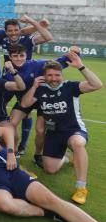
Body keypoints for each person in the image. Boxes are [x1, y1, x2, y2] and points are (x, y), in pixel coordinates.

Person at [19, 53, 102, 205]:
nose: (54, 78)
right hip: (54, 133)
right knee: (49, 169)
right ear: (44, 76)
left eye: (57, 75)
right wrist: (34, 86)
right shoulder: (41, 89)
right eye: (50, 75)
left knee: (77, 143)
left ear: (61, 75)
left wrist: (81, 67)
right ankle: (67, 157)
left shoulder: (70, 87)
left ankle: (81, 188)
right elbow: (25, 104)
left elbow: (97, 85)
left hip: (73, 130)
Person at [3, 44, 71, 157]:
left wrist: (74, 51)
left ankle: (38, 155)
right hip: (25, 100)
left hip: (43, 101)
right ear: (10, 57)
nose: (19, 58)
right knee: (10, 124)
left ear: (26, 56)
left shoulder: (37, 64)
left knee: (40, 130)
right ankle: (15, 150)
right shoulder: (7, 72)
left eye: (22, 55)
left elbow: (60, 62)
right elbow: (6, 90)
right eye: (15, 56)